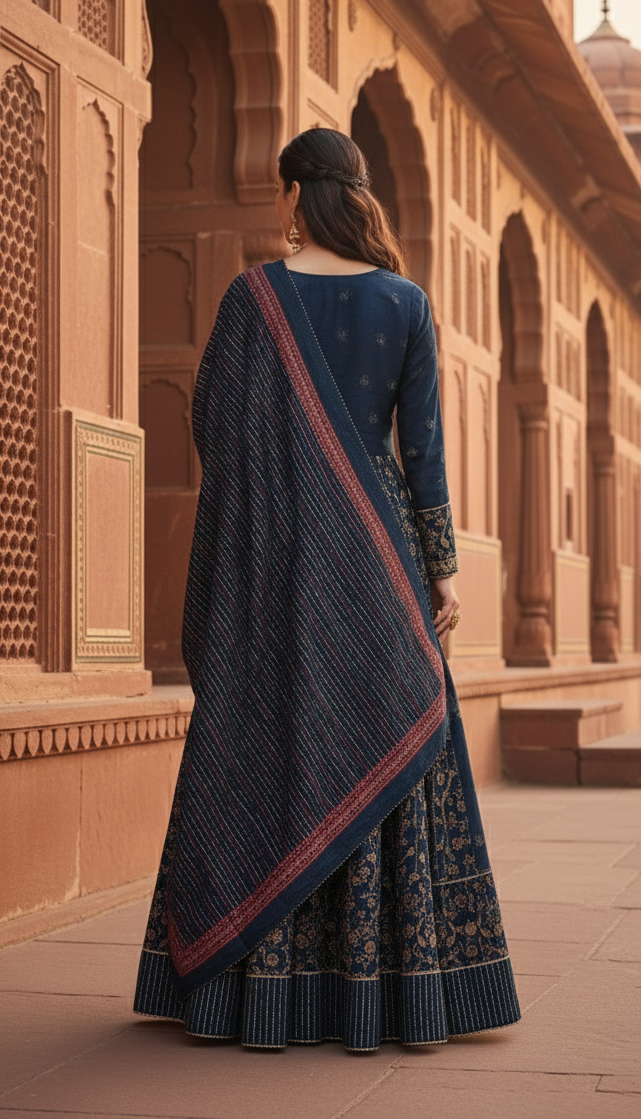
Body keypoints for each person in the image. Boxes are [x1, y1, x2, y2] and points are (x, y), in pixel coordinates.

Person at [133, 128, 522, 1051]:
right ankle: (396, 998)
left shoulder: (250, 300)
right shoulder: (407, 302)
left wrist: (282, 506)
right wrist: (442, 571)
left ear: (293, 197)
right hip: (383, 564)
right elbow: (422, 454)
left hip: (278, 570)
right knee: (386, 744)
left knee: (277, 743)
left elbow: (218, 439)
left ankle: (257, 999)